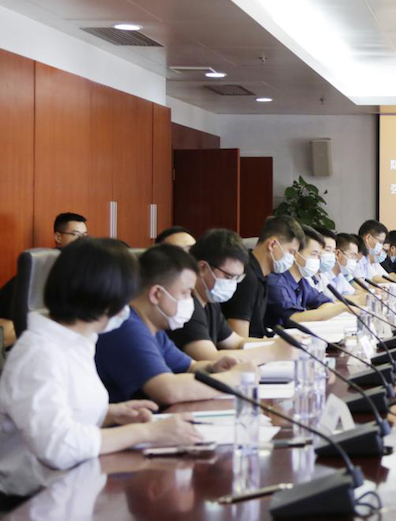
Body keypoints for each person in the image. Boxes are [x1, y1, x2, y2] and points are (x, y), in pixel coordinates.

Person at [0, 239, 201, 498]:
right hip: (32, 499)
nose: (130, 306)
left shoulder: (79, 342)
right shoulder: (39, 354)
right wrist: (146, 432)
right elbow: (58, 447)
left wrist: (110, 414)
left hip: (76, 486)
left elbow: (63, 412)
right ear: (105, 296)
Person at [95, 245, 256, 405]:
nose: (189, 300)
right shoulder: (127, 328)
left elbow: (190, 367)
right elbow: (168, 391)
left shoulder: (154, 329)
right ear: (156, 294)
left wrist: (213, 368)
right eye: (186, 293)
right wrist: (234, 378)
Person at [168, 229, 298, 364]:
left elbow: (236, 342)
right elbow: (210, 358)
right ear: (202, 268)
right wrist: (272, 352)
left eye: (237, 278)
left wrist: (282, 343)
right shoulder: (186, 306)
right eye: (228, 277)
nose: (232, 284)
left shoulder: (210, 301)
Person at [0, 212, 89, 346]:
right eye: (76, 234)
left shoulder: (80, 268)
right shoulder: (48, 267)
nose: (82, 240)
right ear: (58, 237)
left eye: (85, 235)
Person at [222, 215, 304, 338]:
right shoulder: (247, 278)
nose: (292, 259)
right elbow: (240, 340)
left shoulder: (262, 276)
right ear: (272, 244)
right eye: (291, 252)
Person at [264, 224, 348, 330]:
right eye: (313, 254)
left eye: (318, 255)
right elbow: (294, 318)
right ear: (295, 254)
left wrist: (313, 314)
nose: (317, 260)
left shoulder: (302, 282)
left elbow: (326, 302)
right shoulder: (276, 281)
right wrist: (341, 308)